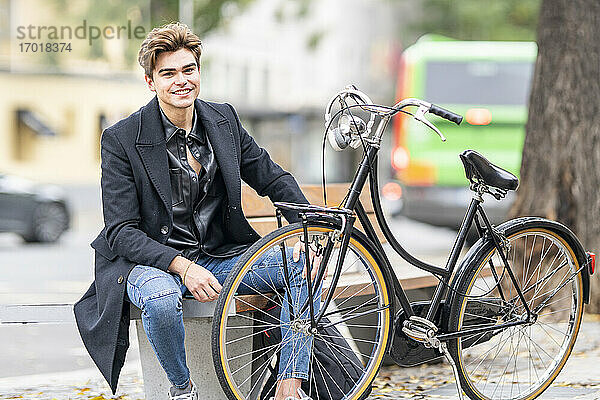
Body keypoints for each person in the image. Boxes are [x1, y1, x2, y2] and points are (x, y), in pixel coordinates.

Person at [74, 22, 320, 400]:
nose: (181, 81)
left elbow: (272, 178)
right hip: (149, 263)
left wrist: (308, 229)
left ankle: (289, 389)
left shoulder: (223, 121)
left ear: (199, 72)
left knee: (300, 265)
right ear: (150, 81)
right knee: (159, 299)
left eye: (188, 70)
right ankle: (182, 389)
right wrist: (182, 266)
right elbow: (121, 231)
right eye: (168, 73)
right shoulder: (122, 139)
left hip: (218, 257)